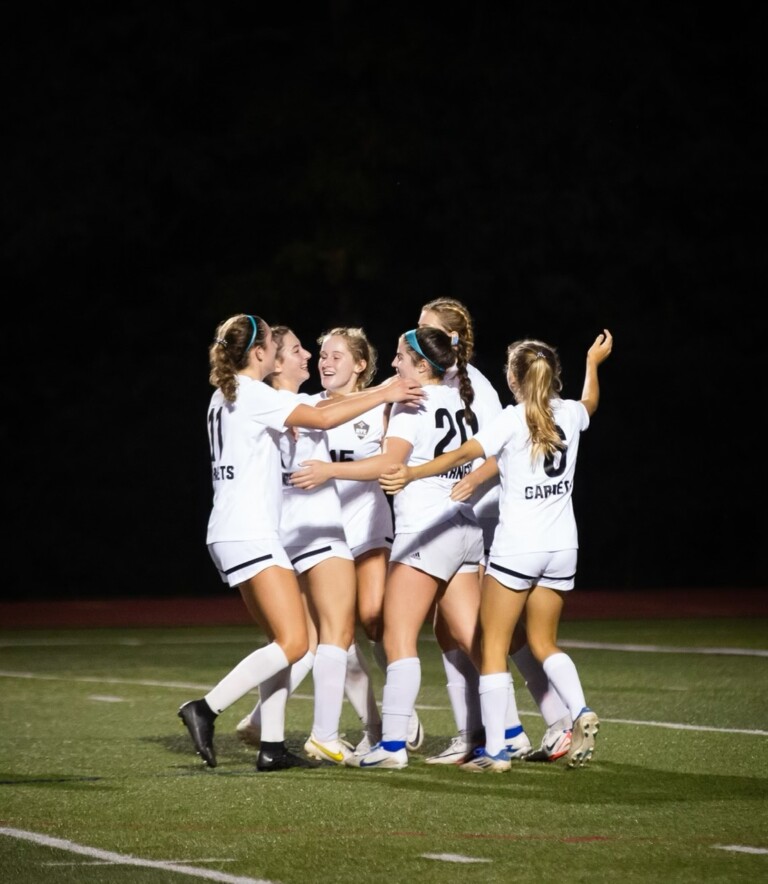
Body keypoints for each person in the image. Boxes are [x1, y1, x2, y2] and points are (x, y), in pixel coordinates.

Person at [177, 313, 423, 771]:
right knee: (298, 643)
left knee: (287, 641)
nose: (299, 353)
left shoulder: (225, 394)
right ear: (258, 354)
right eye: (278, 345)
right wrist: (386, 391)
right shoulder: (256, 395)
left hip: (238, 529)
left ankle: (271, 746)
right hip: (254, 531)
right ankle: (207, 708)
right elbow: (321, 415)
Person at [380, 330, 613, 771]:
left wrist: (412, 475)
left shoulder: (512, 417)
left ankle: (496, 752)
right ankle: (579, 710)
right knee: (544, 642)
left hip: (516, 550)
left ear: (513, 377)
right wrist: (593, 364)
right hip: (563, 548)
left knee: (491, 648)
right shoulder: (568, 413)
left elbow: (464, 452)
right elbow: (591, 403)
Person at [291, 326, 484, 770]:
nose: (324, 361)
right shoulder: (457, 398)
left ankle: (393, 741)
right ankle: (504, 734)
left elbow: (391, 462)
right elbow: (485, 448)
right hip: (456, 525)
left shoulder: (397, 401)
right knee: (471, 637)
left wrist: (335, 472)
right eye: (321, 354)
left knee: (389, 633)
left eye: (400, 355)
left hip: (415, 529)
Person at [415, 298, 532, 764]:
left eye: (425, 329)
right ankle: (475, 731)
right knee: (448, 628)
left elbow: (493, 451)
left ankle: (508, 730)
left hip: (474, 512)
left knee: (472, 628)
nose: (415, 336)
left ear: (447, 338)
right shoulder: (448, 379)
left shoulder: (470, 385)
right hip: (460, 510)